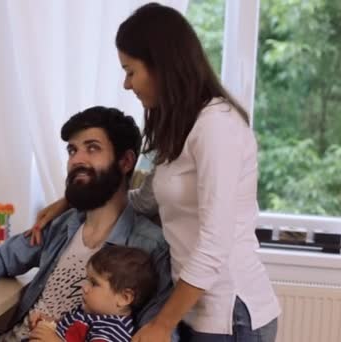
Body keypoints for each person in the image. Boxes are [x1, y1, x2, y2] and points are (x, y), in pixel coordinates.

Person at [27, 3, 280, 342]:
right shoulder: (177, 132)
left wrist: (162, 323)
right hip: (193, 307)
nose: (127, 84)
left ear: (161, 65)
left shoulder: (217, 126)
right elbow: (143, 202)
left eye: (130, 71)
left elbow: (215, 241)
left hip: (230, 313)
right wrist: (70, 203)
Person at [0, 106, 174, 341]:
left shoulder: (151, 248)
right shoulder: (63, 224)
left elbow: (157, 333)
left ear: (125, 161)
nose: (76, 160)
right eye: (73, 150)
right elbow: (3, 256)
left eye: (92, 148)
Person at [28, 245, 158, 342]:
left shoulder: (112, 331)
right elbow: (67, 330)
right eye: (87, 280)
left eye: (94, 283)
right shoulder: (88, 311)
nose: (84, 288)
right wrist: (48, 323)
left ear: (124, 298)